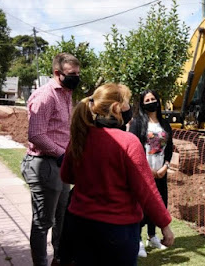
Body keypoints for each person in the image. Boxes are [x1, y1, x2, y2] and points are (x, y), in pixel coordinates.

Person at [60, 83, 174, 265]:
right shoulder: (128, 141)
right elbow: (146, 189)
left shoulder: (80, 137)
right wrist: (165, 225)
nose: (130, 109)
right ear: (116, 108)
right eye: (128, 103)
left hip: (79, 224)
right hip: (116, 230)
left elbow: (66, 176)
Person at [21, 52, 80, 266]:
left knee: (62, 217)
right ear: (57, 73)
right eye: (72, 74)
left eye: (78, 73)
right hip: (44, 165)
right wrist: (61, 153)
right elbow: (36, 135)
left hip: (60, 165)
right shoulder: (45, 96)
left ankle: (60, 259)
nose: (76, 77)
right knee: (43, 222)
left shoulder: (66, 94)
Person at [130, 89, 173, 257]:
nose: (150, 102)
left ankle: (152, 236)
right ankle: (138, 240)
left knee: (159, 202)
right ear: (142, 103)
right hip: (143, 172)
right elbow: (133, 148)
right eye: (146, 100)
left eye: (153, 99)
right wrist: (147, 169)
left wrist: (165, 166)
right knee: (142, 205)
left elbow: (169, 147)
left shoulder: (164, 123)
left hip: (161, 172)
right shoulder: (137, 123)